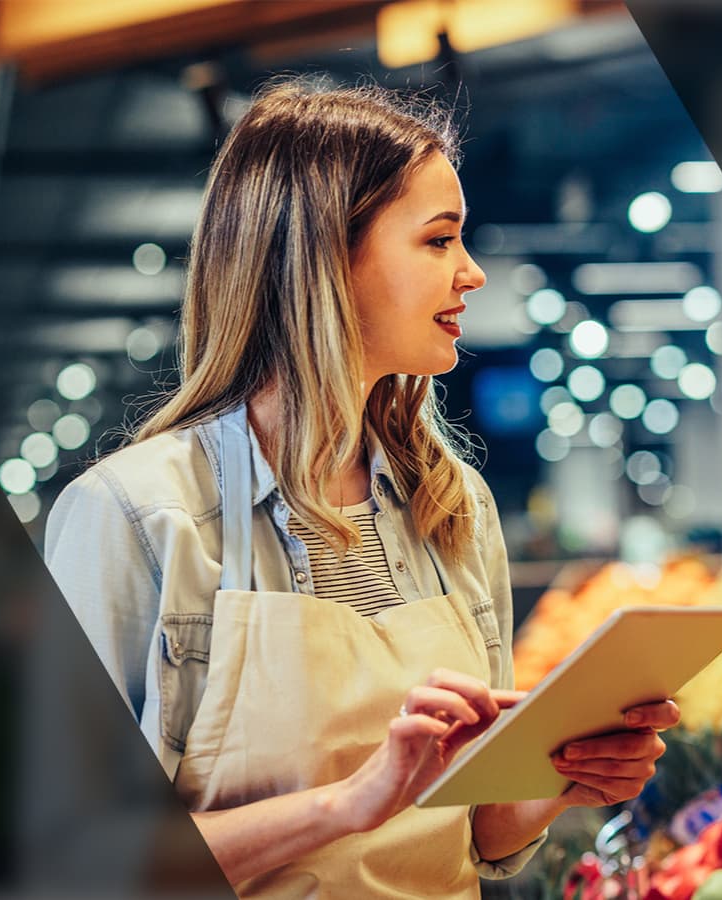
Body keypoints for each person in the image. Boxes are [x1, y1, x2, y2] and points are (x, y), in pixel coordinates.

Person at [44, 79, 679, 898]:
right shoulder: (135, 516)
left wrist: (563, 775)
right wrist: (351, 803)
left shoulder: (453, 508)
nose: (473, 273)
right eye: (439, 240)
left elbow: (477, 829)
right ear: (325, 255)